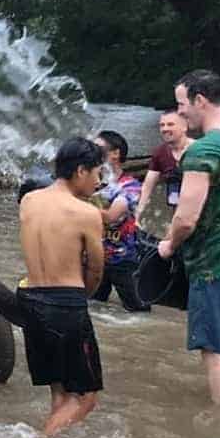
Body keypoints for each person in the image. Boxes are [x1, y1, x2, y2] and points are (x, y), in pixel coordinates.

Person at [158, 69, 220, 410]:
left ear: (199, 100)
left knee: (218, 350)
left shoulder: (204, 150)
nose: (180, 113)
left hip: (216, 263)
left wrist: (169, 245)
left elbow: (186, 218)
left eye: (181, 104)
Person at [17, 136, 106, 436]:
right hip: (65, 303)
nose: (99, 181)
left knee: (60, 392)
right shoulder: (87, 213)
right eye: (97, 173)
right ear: (81, 170)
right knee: (85, 397)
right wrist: (83, 296)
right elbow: (95, 268)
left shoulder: (29, 201)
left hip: (29, 299)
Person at [91, 130, 149, 311]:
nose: (92, 153)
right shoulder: (91, 182)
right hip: (95, 257)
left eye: (97, 148)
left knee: (138, 310)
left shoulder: (131, 186)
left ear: (115, 153)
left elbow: (110, 217)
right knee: (94, 307)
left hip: (123, 258)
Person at [136, 109, 194, 227]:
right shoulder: (159, 152)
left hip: (198, 209)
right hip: (172, 207)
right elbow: (148, 185)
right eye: (162, 125)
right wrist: (139, 211)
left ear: (185, 127)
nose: (164, 129)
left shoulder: (200, 150)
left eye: (170, 124)